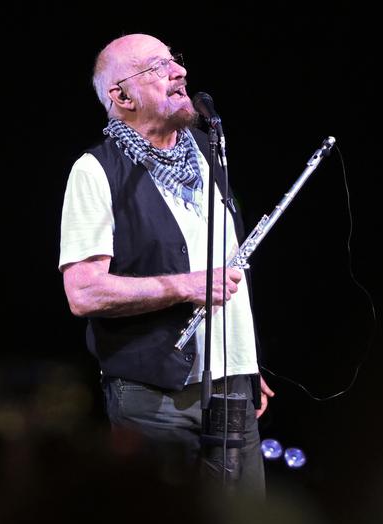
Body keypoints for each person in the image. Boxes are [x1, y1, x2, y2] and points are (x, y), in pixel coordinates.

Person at [59, 33, 275, 496]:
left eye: (175, 60)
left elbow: (226, 267)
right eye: (157, 67)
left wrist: (245, 361)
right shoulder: (95, 172)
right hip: (153, 396)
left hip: (233, 385)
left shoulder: (208, 151)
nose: (178, 72)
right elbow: (84, 292)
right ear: (122, 95)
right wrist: (185, 286)